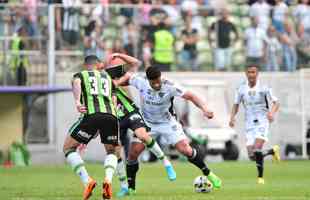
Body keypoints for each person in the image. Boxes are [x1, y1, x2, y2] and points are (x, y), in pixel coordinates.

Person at [115, 65, 222, 194]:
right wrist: (117, 83)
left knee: (185, 149)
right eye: (153, 82)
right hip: (146, 123)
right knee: (133, 153)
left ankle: (208, 173)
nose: (156, 85)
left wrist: (205, 108)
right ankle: (131, 188)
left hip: (167, 122)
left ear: (161, 77)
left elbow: (191, 96)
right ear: (148, 80)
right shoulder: (141, 82)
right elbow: (128, 77)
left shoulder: (170, 86)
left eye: (158, 81)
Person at [103, 53, 176, 197]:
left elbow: (136, 63)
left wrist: (119, 55)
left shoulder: (114, 73)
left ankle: (166, 163)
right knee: (115, 151)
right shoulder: (96, 80)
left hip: (130, 112)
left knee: (142, 135)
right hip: (114, 117)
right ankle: (125, 186)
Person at [62, 55, 119, 200]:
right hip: (111, 116)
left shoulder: (81, 74)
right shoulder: (108, 78)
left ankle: (87, 181)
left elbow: (76, 82)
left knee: (68, 148)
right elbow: (114, 100)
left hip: (92, 115)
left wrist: (77, 101)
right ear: (97, 64)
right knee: (112, 151)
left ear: (85, 65)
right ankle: (108, 180)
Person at [229, 64, 281, 184]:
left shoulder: (264, 87)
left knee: (257, 149)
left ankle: (260, 177)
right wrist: (232, 118)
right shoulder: (241, 88)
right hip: (249, 124)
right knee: (252, 156)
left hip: (262, 121)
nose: (251, 74)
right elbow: (236, 105)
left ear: (257, 74)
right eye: (249, 72)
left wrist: (271, 113)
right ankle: (272, 151)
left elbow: (276, 102)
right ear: (245, 74)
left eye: (253, 72)